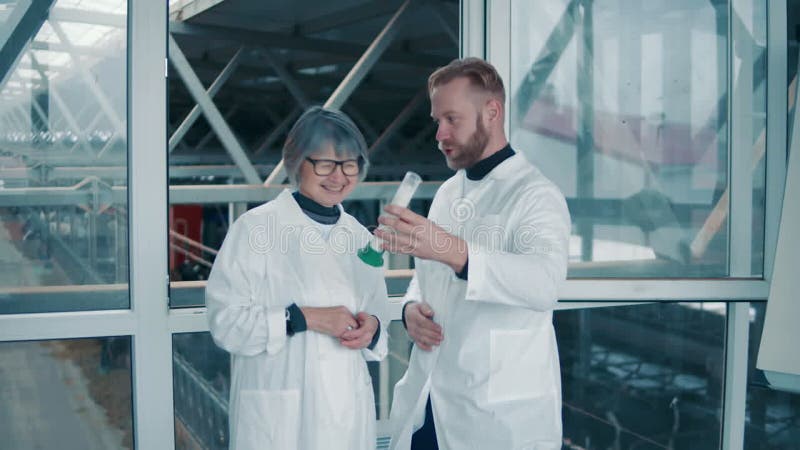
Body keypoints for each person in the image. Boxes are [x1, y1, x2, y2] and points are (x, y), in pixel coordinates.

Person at [376, 58, 571, 449]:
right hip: (431, 398)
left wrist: (453, 251)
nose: (440, 134)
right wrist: (411, 309)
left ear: (491, 112)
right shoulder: (449, 192)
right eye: (437, 121)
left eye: (452, 119)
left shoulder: (537, 195)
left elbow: (544, 283)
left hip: (495, 415)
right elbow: (430, 276)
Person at [206, 106, 388, 450]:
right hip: (281, 418)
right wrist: (304, 318)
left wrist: (373, 328)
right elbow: (225, 323)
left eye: (349, 164)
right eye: (324, 164)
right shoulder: (256, 228)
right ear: (296, 162)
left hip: (345, 411)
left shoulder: (360, 238)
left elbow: (379, 317)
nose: (339, 176)